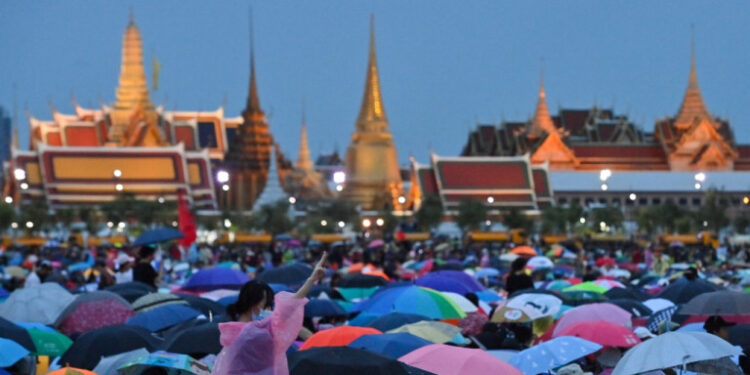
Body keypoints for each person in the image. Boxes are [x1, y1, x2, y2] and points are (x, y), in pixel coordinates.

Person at [212, 252, 327, 375]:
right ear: (254, 304)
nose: (269, 310)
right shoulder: (252, 331)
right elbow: (288, 308)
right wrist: (311, 279)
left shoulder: (236, 331)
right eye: (266, 304)